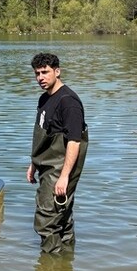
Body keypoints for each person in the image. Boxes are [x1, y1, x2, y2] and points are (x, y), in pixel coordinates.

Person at [26, 53, 89, 253]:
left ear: (57, 71)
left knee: (46, 220)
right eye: (37, 73)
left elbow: (74, 142)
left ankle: (49, 268)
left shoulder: (68, 102)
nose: (40, 78)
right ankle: (66, 264)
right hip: (46, 165)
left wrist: (64, 176)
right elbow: (42, 135)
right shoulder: (44, 99)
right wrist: (34, 163)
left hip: (60, 169)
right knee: (62, 217)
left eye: (45, 72)